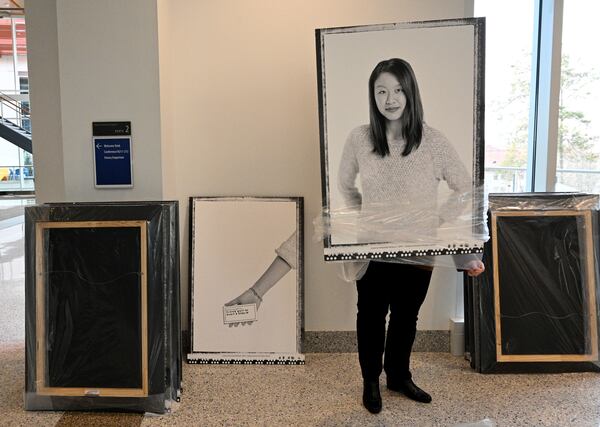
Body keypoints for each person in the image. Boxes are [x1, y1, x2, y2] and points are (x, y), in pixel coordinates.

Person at [337, 58, 485, 414]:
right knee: (370, 315)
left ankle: (398, 376)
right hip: (373, 247)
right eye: (381, 91)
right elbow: (344, 184)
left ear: (410, 92)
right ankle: (371, 380)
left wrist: (441, 223)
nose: (390, 99)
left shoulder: (432, 141)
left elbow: (466, 188)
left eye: (398, 89)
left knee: (406, 316)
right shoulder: (360, 138)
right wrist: (365, 217)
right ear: (372, 96)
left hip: (419, 249)